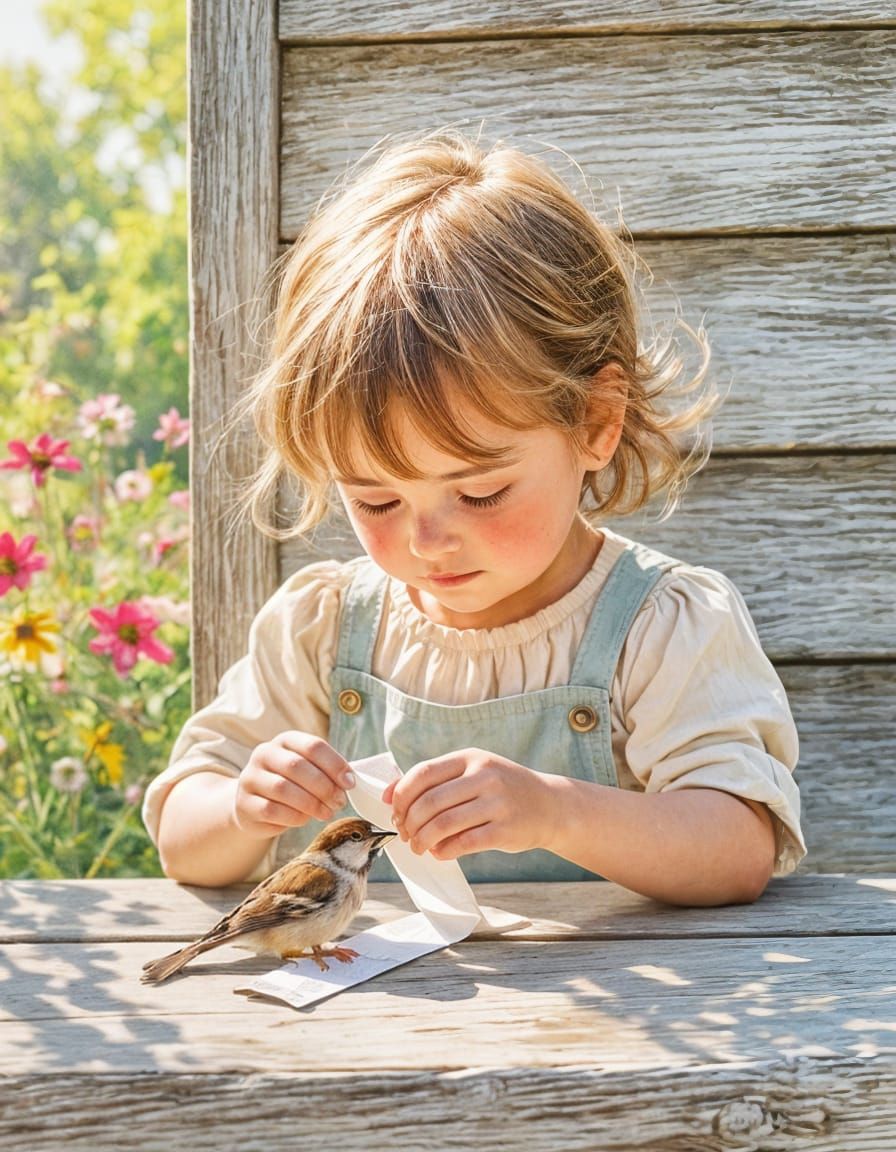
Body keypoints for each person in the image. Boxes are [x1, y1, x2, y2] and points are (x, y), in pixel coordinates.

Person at [144, 128, 805, 905]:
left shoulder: (658, 628)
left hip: (622, 1012)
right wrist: (243, 806)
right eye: (376, 500)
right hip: (394, 1019)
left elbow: (735, 848)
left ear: (596, 421)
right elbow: (185, 841)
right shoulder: (326, 629)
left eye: (481, 492)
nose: (427, 540)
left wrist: (557, 812)